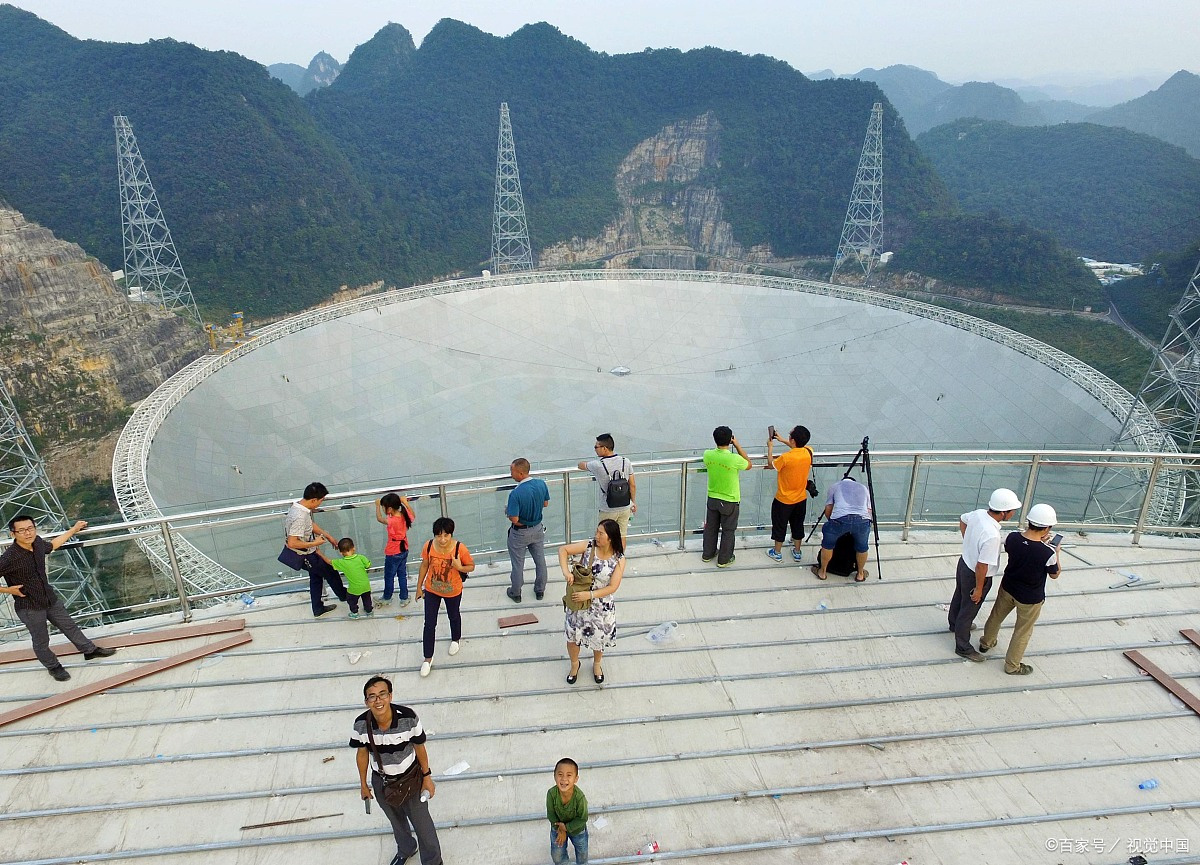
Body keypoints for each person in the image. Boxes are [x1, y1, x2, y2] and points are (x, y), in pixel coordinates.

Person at [0, 514, 116, 681]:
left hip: (49, 597)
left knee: (69, 626)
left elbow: (53, 545)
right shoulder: (9, 558)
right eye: (22, 530)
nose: (27, 533)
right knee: (41, 640)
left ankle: (89, 651)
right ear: (13, 534)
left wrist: (74, 529)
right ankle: (53, 667)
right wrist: (8, 590)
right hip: (29, 605)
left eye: (30, 528)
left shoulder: (38, 543)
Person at [351, 675, 442, 865]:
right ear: (366, 701)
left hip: (410, 779)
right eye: (372, 696)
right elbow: (362, 754)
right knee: (396, 820)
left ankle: (433, 861)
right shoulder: (361, 725)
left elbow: (420, 748)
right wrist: (363, 784)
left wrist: (427, 777)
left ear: (390, 696)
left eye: (382, 694)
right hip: (382, 781)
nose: (378, 700)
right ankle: (406, 848)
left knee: (423, 825)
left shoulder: (408, 718)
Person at [979, 504, 1062, 675]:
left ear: (1029, 521)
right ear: (1047, 528)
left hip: (1008, 587)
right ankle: (1012, 665)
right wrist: (1055, 551)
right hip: (1030, 598)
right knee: (1022, 631)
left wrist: (1038, 543)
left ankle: (986, 643)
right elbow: (1054, 574)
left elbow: (1024, 548)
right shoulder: (1047, 553)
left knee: (996, 616)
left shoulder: (1012, 538)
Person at [950, 488, 1021, 662]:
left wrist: (969, 541)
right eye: (1012, 511)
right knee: (969, 608)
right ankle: (963, 646)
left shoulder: (979, 514)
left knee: (959, 595)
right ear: (1004, 512)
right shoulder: (992, 536)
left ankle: (954, 623)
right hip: (976, 574)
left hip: (964, 564)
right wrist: (979, 589)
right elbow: (982, 566)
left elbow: (962, 519)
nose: (1013, 513)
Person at [558, 519, 625, 685]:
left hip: (600, 606)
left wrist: (589, 595)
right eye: (597, 531)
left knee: (599, 638)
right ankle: (575, 665)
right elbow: (563, 550)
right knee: (572, 637)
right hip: (579, 603)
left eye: (601, 533)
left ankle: (597, 665)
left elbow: (613, 587)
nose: (597, 536)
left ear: (610, 538)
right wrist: (567, 572)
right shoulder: (589, 546)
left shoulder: (619, 559)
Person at [415, 517, 475, 678]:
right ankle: (428, 658)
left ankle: (456, 638)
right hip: (432, 589)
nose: (442, 540)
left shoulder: (459, 549)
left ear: (451, 534)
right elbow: (425, 565)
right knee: (429, 623)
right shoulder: (428, 546)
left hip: (453, 590)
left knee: (453, 615)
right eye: (439, 536)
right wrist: (418, 587)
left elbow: (471, 566)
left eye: (446, 536)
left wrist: (459, 566)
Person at [284, 481, 348, 617]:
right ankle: (344, 596)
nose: (321, 503)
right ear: (313, 500)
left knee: (316, 577)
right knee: (331, 571)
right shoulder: (299, 517)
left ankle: (318, 608)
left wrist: (328, 536)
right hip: (306, 555)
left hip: (307, 553)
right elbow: (292, 543)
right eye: (321, 500)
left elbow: (310, 524)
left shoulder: (299, 508)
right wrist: (315, 543)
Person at [701, 426, 751, 568]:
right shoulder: (734, 459)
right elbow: (749, 465)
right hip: (730, 500)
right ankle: (724, 559)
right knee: (728, 530)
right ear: (730, 440)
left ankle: (708, 554)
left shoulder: (708, 455)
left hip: (712, 498)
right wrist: (738, 445)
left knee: (711, 528)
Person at [811, 473, 873, 582]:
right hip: (862, 520)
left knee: (828, 544)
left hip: (840, 519)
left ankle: (822, 572)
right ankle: (860, 574)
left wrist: (833, 523)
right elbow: (869, 511)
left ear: (843, 480)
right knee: (862, 547)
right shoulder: (864, 488)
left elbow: (828, 509)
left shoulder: (835, 486)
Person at [765, 425, 813, 564]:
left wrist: (770, 447)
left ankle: (777, 552)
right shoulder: (809, 452)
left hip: (784, 499)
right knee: (797, 525)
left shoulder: (785, 458)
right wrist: (782, 440)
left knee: (780, 525)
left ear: (792, 440)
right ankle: (797, 552)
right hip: (801, 498)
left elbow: (770, 464)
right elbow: (798, 447)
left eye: (789, 436)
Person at [505, 457, 550, 602]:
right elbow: (545, 503)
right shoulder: (541, 484)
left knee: (518, 564)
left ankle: (516, 592)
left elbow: (514, 519)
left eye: (512, 471)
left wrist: (508, 513)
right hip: (537, 528)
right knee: (540, 560)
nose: (510, 474)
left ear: (520, 473)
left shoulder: (515, 493)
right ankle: (540, 590)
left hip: (520, 533)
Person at [578, 433, 637, 543]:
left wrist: (582, 464)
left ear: (604, 448)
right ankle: (620, 559)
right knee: (622, 536)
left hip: (607, 508)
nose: (595, 449)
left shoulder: (597, 465)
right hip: (625, 506)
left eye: (596, 447)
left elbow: (581, 465)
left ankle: (606, 558)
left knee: (602, 537)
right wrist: (633, 503)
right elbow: (632, 485)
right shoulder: (626, 461)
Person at [547, 757, 589, 865]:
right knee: (557, 855)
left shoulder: (579, 798)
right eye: (560, 774)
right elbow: (551, 814)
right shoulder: (551, 794)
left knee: (582, 853)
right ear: (554, 776)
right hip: (558, 828)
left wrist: (566, 828)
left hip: (577, 830)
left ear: (576, 779)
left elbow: (583, 818)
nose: (564, 779)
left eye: (569, 775)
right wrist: (560, 829)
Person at [376, 493, 415, 607]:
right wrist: (405, 502)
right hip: (404, 549)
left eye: (383, 507)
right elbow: (413, 515)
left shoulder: (391, 520)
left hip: (393, 552)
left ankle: (387, 598)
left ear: (389, 509)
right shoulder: (404, 515)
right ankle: (404, 597)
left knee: (389, 576)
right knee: (402, 575)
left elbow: (379, 518)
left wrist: (377, 505)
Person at [330, 538, 373, 619]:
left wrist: (319, 553)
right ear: (354, 548)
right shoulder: (361, 557)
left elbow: (330, 562)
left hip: (354, 589)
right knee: (367, 599)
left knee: (351, 600)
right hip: (366, 585)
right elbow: (368, 565)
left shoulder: (342, 562)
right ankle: (369, 611)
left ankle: (355, 613)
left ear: (341, 552)